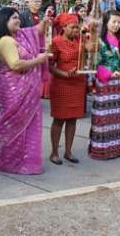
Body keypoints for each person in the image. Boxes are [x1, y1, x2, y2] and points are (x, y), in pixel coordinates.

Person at [0, 7, 51, 175]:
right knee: (15, 124)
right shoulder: (6, 41)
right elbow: (15, 64)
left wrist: (45, 20)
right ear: (4, 21)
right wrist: (38, 60)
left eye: (18, 17)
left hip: (29, 91)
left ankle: (28, 163)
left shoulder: (21, 35)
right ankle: (11, 163)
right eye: (13, 18)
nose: (17, 20)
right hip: (13, 90)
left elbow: (37, 31)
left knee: (31, 126)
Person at [48, 13, 86, 165]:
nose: (76, 30)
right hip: (61, 84)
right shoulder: (56, 42)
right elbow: (49, 65)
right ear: (63, 27)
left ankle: (68, 151)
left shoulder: (80, 40)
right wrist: (64, 74)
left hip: (78, 83)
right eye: (73, 27)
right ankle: (54, 152)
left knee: (73, 119)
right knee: (59, 119)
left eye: (77, 27)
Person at [89, 10, 120, 160]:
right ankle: (101, 149)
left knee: (115, 116)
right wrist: (110, 73)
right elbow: (95, 63)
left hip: (118, 82)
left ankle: (115, 148)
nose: (116, 25)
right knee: (103, 116)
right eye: (113, 22)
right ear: (106, 23)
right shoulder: (100, 40)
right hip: (105, 82)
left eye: (118, 22)